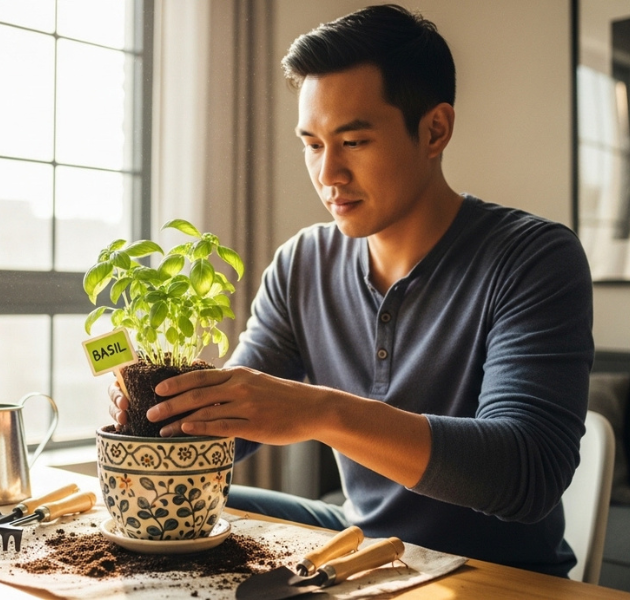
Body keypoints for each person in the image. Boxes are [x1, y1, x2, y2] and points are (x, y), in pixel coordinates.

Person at [109, 4, 593, 578]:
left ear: (434, 129)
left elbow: (525, 473)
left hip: (495, 573)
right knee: (176, 526)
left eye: (354, 142)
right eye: (312, 144)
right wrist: (156, 409)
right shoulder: (302, 262)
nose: (328, 173)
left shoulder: (532, 257)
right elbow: (236, 422)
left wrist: (320, 411)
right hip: (364, 549)